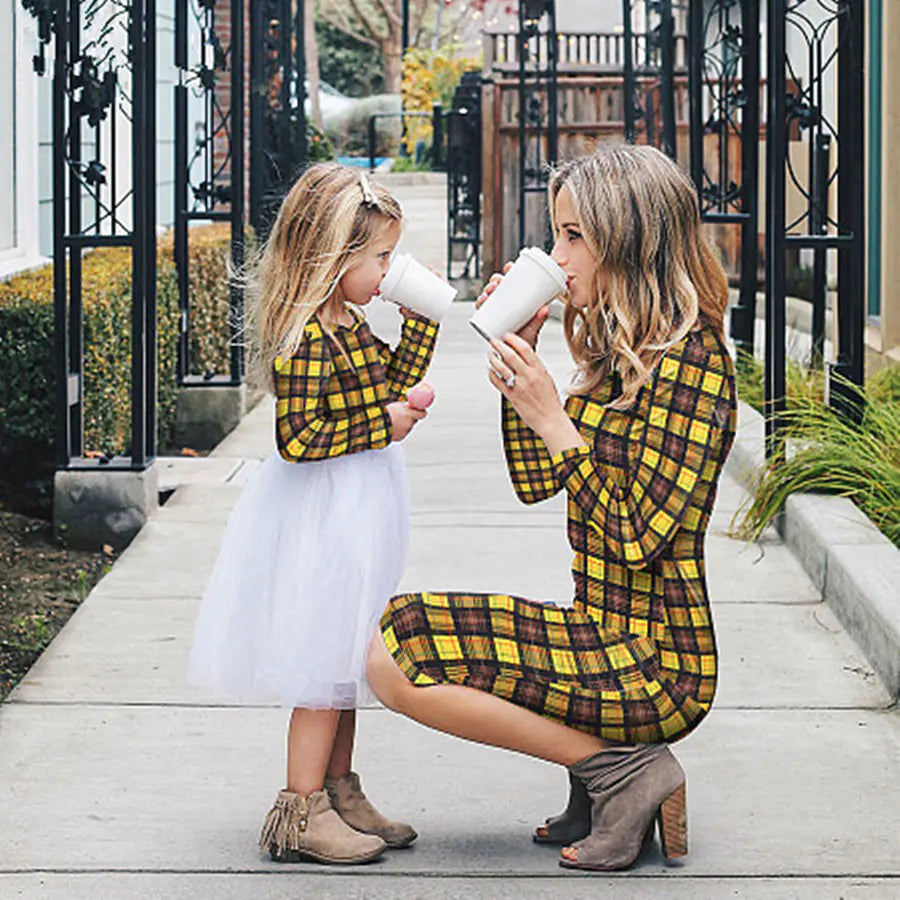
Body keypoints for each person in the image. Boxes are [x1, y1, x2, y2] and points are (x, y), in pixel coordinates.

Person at [366, 143, 737, 872]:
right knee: (393, 631)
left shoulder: (694, 365)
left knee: (395, 660)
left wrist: (554, 420)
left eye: (573, 236)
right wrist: (522, 375)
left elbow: (638, 539)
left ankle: (623, 772)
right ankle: (603, 769)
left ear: (628, 242)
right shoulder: (620, 351)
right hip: (600, 631)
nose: (556, 256)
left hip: (657, 663)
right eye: (556, 234)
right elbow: (537, 482)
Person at [187, 163, 441, 865]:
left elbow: (390, 380)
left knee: (346, 658)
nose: (388, 271)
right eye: (381, 257)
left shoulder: (349, 321)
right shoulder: (306, 338)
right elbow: (297, 439)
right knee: (322, 662)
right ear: (334, 256)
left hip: (357, 506)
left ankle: (340, 791)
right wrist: (384, 425)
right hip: (325, 513)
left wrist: (420, 324)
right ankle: (300, 811)